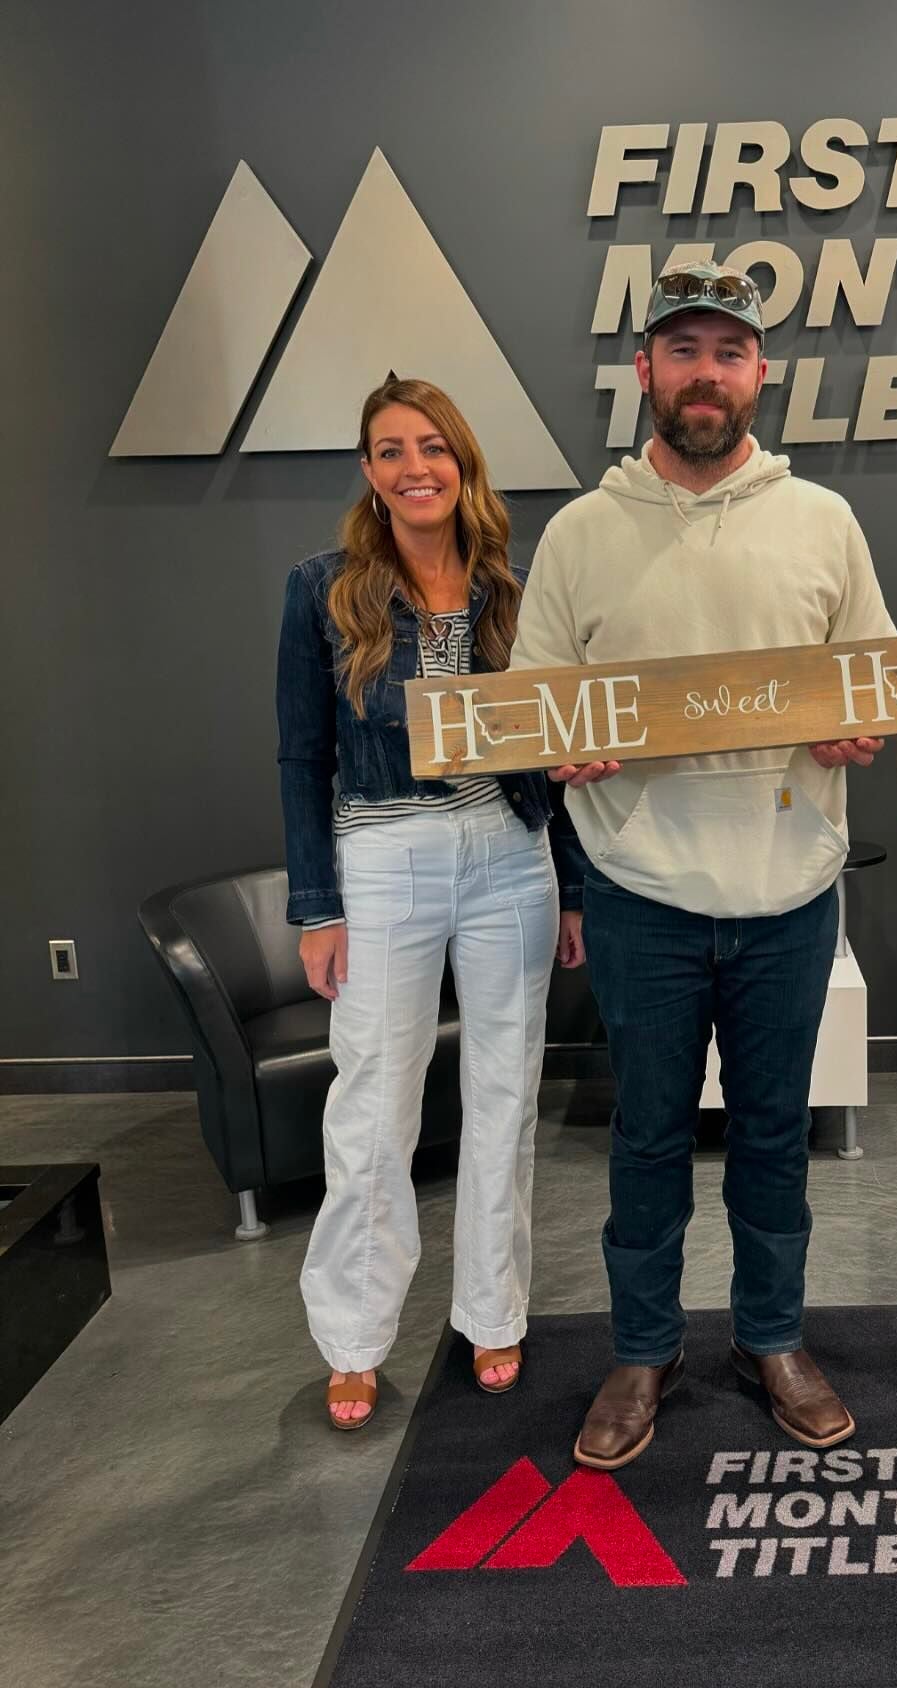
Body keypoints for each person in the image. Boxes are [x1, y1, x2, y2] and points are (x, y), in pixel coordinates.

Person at [510, 261, 895, 1469]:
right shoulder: (579, 532)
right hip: (642, 895)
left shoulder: (823, 519)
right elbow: (530, 703)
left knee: (775, 1136)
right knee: (648, 1142)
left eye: (729, 352)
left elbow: (871, 681)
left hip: (789, 893)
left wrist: (856, 728)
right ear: (645, 374)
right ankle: (644, 1347)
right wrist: (556, 745)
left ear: (761, 373)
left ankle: (772, 1336)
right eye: (683, 351)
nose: (706, 374)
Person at [276, 376, 585, 1430]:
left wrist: (574, 885)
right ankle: (354, 1336)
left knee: (506, 1091)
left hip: (512, 851)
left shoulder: (516, 586)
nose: (416, 466)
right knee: (373, 1103)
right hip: (383, 853)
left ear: (463, 462)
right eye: (391, 449)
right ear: (368, 471)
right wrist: (316, 904)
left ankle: (493, 1308)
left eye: (433, 447)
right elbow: (300, 753)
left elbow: (553, 741)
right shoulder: (324, 589)